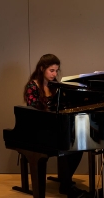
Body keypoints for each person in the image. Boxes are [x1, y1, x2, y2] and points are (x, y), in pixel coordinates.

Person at [24, 54, 91, 198]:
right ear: (42, 69)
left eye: (56, 71)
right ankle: (67, 185)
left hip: (53, 128)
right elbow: (34, 111)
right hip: (38, 129)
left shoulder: (56, 86)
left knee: (77, 146)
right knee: (66, 145)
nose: (54, 74)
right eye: (51, 70)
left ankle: (66, 182)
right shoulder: (32, 86)